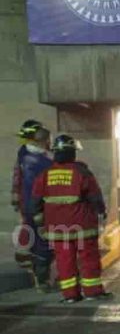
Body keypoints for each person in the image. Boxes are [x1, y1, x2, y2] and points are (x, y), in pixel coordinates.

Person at [30, 135, 110, 303]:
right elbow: (95, 196)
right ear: (73, 152)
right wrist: (101, 213)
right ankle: (92, 292)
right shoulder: (82, 172)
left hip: (58, 228)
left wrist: (39, 220)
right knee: (88, 258)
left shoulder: (45, 175)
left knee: (64, 261)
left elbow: (36, 200)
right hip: (82, 225)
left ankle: (70, 295)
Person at [18, 124, 54, 292]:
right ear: (44, 141)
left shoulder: (24, 156)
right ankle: (43, 281)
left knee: (34, 241)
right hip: (40, 209)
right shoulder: (44, 163)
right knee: (44, 244)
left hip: (28, 207)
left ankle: (37, 276)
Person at [12, 120, 44, 271]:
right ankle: (33, 260)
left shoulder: (24, 152)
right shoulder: (33, 156)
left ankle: (30, 257)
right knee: (33, 228)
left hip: (28, 199)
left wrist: (15, 197)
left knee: (30, 227)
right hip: (33, 200)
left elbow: (17, 177)